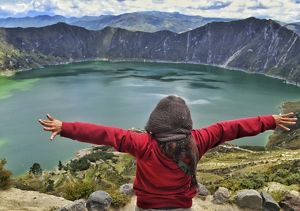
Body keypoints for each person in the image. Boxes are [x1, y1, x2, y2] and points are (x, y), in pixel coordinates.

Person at [38, 95, 297, 211]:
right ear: (187, 123)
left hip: (147, 205)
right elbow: (231, 128)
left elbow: (105, 134)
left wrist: (65, 128)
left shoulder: (142, 144)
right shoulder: (199, 140)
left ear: (154, 123)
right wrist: (270, 120)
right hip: (182, 205)